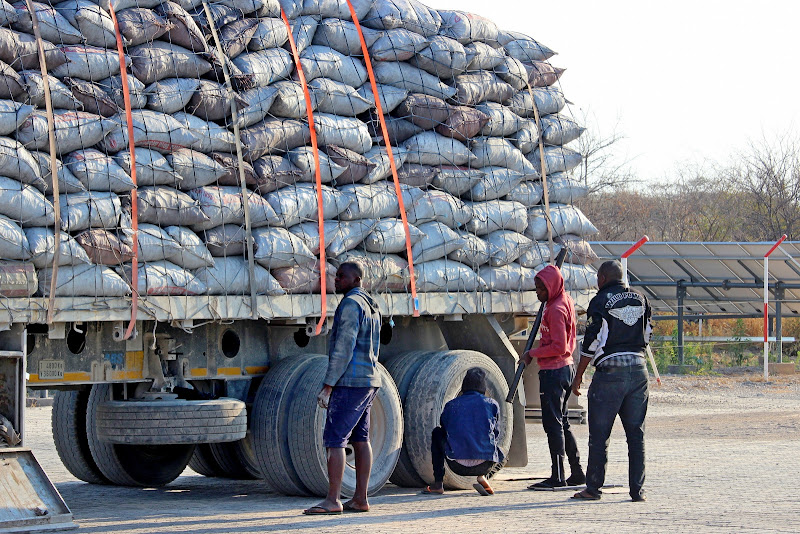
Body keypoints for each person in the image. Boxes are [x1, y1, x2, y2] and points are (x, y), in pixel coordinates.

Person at [303, 262, 382, 515]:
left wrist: (328, 385)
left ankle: (333, 500)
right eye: (336, 276)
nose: (336, 280)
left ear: (357, 279)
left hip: (350, 382)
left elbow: (344, 348)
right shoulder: (371, 305)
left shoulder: (350, 304)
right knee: (361, 438)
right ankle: (360, 498)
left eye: (342, 277)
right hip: (369, 380)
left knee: (335, 439)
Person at [571, 260, 652, 502]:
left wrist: (578, 376)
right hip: (639, 370)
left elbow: (591, 342)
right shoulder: (641, 298)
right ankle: (638, 492)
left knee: (599, 435)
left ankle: (593, 489)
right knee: (636, 436)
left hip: (610, 375)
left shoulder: (599, 301)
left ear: (603, 278)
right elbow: (648, 334)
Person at [522, 264, 585, 489]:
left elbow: (559, 346)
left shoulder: (556, 309)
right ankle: (577, 473)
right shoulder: (563, 300)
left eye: (541, 288)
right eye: (536, 288)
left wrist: (532, 353)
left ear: (552, 286)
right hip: (564, 369)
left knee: (553, 424)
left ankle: (557, 475)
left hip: (555, 370)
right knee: (563, 422)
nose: (537, 293)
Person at [421, 367, 505, 496]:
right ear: (483, 386)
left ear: (464, 385)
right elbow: (496, 433)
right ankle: (484, 477)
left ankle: (438, 484)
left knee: (437, 432)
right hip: (485, 464)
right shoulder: (492, 404)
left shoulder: (452, 405)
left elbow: (445, 426)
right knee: (503, 453)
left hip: (456, 464)